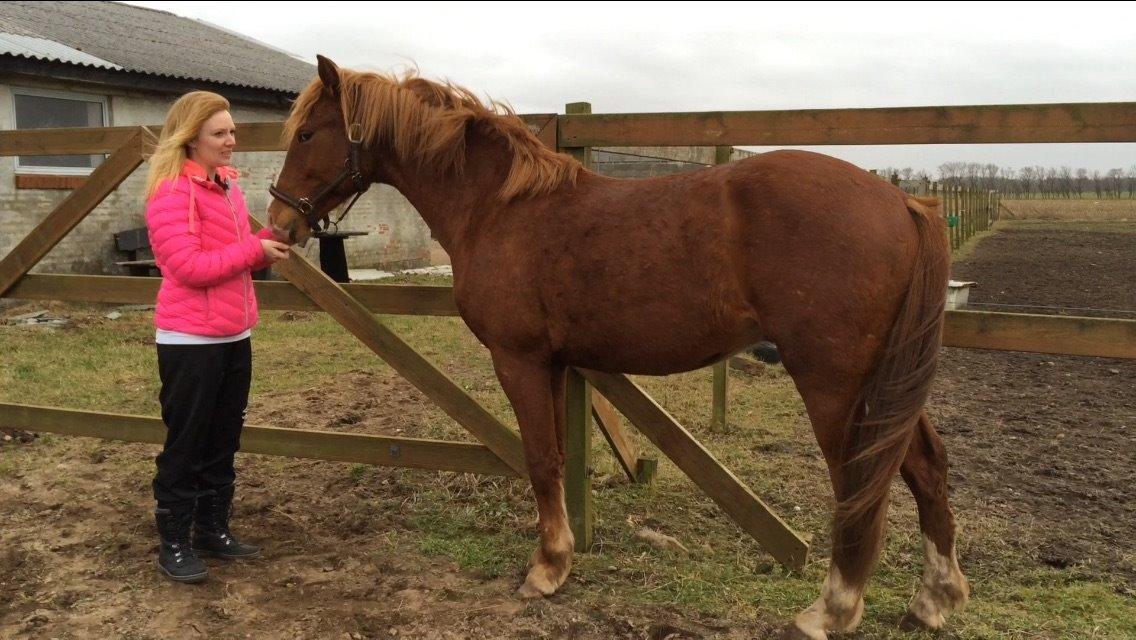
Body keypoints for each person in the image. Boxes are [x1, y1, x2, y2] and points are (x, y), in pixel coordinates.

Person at [144, 91, 290, 582]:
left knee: (223, 438)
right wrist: (253, 251)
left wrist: (266, 247)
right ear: (192, 139)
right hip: (189, 341)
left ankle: (212, 529)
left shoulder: (226, 187)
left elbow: (233, 254)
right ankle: (175, 543)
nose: (232, 140)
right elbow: (186, 267)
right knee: (187, 443)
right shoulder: (171, 192)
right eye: (220, 133)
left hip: (233, 333)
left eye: (232, 131)